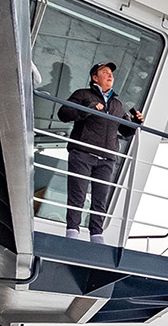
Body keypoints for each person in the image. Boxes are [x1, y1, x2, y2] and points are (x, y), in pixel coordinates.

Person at [56, 61, 144, 244]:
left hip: (107, 158)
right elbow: (64, 113)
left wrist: (136, 123)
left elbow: (126, 131)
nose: (110, 75)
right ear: (95, 78)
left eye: (111, 73)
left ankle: (96, 236)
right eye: (105, 72)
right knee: (77, 195)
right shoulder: (83, 94)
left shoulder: (117, 104)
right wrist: (87, 109)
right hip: (82, 152)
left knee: (100, 200)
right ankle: (72, 233)